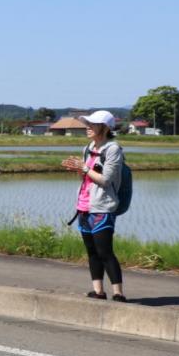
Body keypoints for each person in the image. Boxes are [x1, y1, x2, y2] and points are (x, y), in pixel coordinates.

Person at [60, 110, 126, 302]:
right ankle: (98, 291)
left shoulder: (112, 149)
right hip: (84, 206)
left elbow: (105, 180)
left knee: (105, 251)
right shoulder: (88, 148)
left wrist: (84, 168)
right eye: (87, 124)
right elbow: (87, 176)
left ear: (105, 128)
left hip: (102, 207)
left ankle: (118, 293)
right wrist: (78, 169)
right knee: (92, 252)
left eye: (92, 125)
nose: (87, 128)